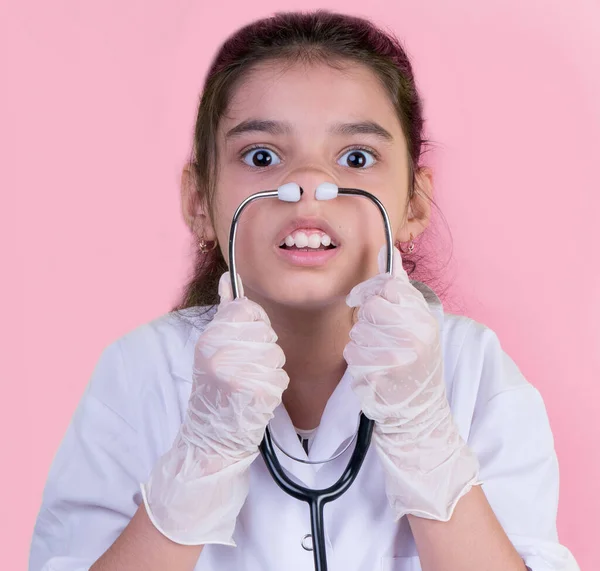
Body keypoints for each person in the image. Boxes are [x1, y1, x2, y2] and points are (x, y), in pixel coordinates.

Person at [29, 10, 580, 571]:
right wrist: (199, 464)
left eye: (356, 158)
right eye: (262, 156)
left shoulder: (476, 372)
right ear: (199, 201)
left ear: (413, 204)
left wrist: (427, 442)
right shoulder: (139, 374)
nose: (308, 187)